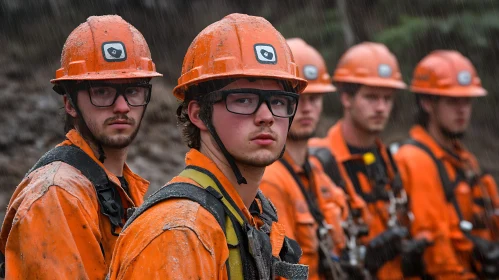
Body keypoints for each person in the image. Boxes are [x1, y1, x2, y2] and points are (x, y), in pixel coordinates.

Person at [107, 13, 309, 279]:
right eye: (244, 100)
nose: (267, 116)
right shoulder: (178, 232)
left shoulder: (253, 211)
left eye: (279, 101)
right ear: (199, 114)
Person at [0, 15, 162, 279]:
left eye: (133, 91)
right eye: (102, 92)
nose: (121, 106)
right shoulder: (56, 196)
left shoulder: (120, 186)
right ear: (70, 104)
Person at [309, 42, 422, 279]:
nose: (381, 108)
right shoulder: (318, 161)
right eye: (371, 97)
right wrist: (362, 260)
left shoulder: (393, 161)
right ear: (346, 98)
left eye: (387, 99)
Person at [394, 50, 499, 279]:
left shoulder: (465, 159)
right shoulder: (416, 159)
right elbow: (435, 250)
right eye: (452, 101)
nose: (462, 109)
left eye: (467, 101)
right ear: (426, 102)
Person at [259, 38, 348, 280]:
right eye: (298, 99)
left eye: (315, 98)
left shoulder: (316, 170)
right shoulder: (270, 179)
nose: (308, 108)